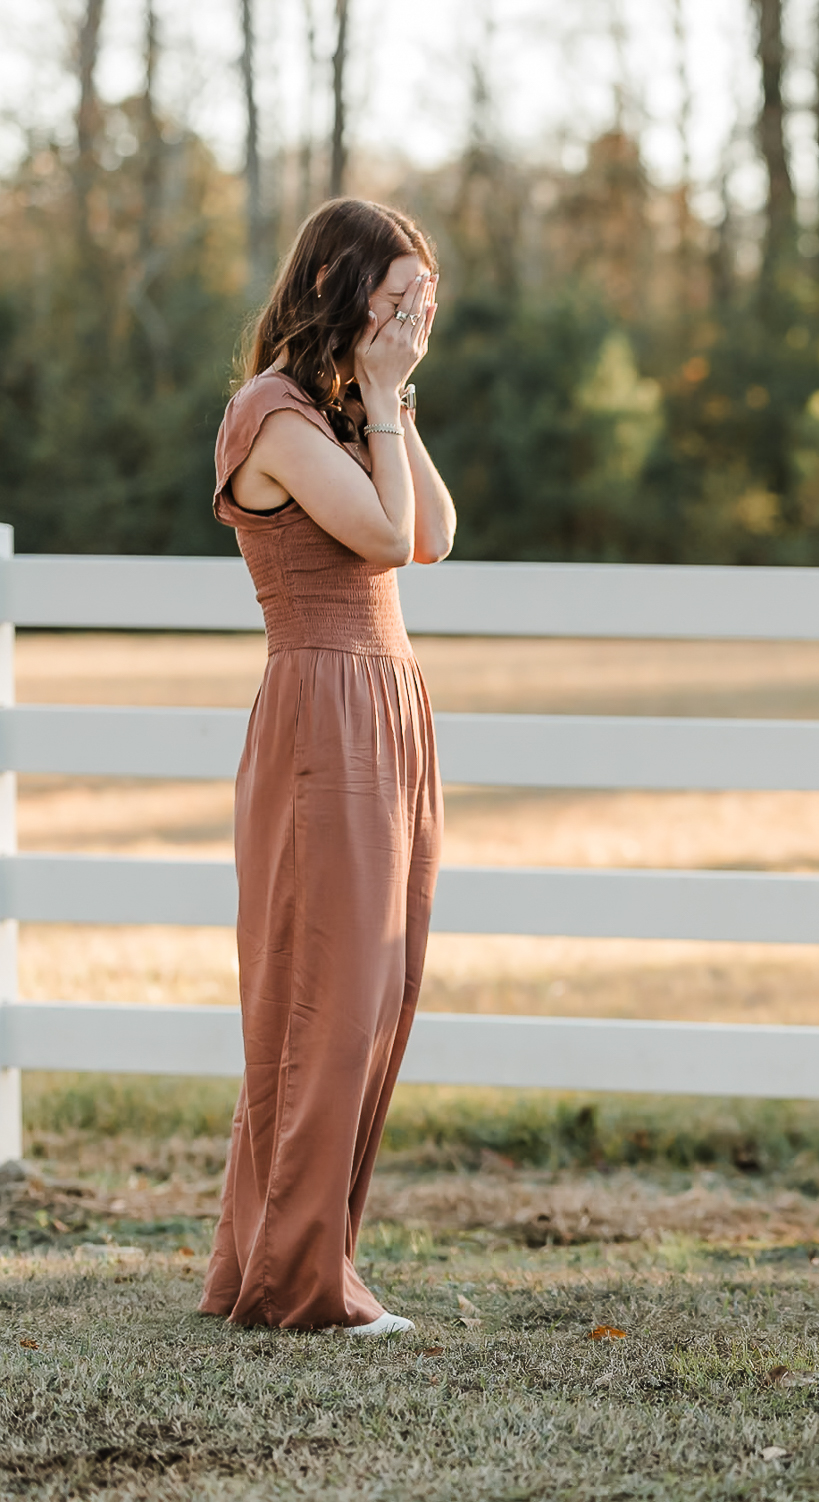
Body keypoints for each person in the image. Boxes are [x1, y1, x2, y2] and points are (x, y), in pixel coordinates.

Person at [198, 199, 456, 1337]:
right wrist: (385, 402)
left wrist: (390, 399)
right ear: (337, 291)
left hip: (388, 705)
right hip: (322, 712)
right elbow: (382, 540)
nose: (410, 320)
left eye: (423, 303)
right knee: (323, 1001)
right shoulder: (273, 417)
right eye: (394, 299)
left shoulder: (348, 413)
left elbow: (434, 531)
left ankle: (284, 1261)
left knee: (379, 994)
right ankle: (301, 1281)